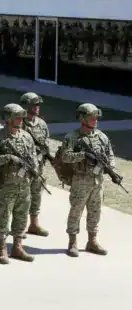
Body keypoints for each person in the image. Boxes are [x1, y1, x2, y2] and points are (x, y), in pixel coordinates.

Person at [57, 103, 117, 257]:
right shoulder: (72, 137)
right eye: (91, 117)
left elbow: (110, 154)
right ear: (82, 119)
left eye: (96, 117)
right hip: (80, 180)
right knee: (76, 211)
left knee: (95, 211)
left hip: (97, 181)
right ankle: (72, 242)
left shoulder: (101, 136)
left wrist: (111, 168)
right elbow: (65, 156)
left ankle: (92, 241)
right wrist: (83, 155)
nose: (95, 120)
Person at [0, 104, 38, 264]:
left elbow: (33, 155)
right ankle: (2, 248)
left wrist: (34, 168)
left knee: (21, 216)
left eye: (21, 117)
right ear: (8, 119)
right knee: (3, 217)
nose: (20, 120)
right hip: (5, 185)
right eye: (17, 117)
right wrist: (7, 158)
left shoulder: (26, 137)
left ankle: (17, 246)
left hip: (24, 184)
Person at [20, 92, 52, 237]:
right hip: (24, 166)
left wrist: (46, 153)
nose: (37, 107)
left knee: (36, 194)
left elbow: (46, 141)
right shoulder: (19, 122)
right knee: (22, 196)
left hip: (39, 166)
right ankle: (19, 226)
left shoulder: (42, 123)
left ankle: (34, 223)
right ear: (26, 105)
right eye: (34, 104)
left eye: (38, 104)